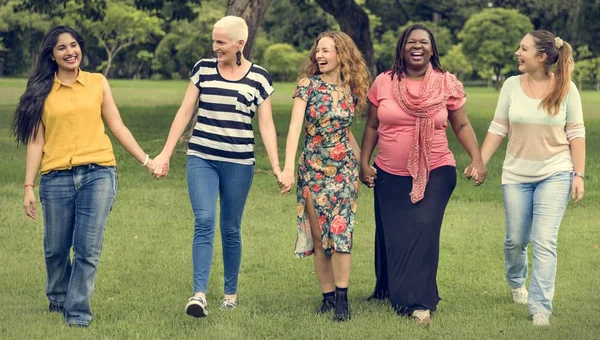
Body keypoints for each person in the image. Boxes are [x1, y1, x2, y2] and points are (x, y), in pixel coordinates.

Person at [11, 25, 155, 327]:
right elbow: (36, 141)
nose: (70, 51)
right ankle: (58, 295)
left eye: (74, 45)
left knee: (87, 247)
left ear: (81, 48)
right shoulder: (42, 90)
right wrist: (28, 186)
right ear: (51, 54)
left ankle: (77, 314)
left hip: (98, 173)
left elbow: (118, 127)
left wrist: (146, 160)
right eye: (62, 47)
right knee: (55, 248)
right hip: (56, 177)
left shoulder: (97, 83)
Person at [150, 16, 281, 318]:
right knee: (205, 220)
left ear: (240, 44)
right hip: (202, 157)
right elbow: (185, 112)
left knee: (231, 228)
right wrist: (165, 154)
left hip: (239, 163)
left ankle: (230, 295)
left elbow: (266, 125)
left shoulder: (259, 78)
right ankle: (199, 295)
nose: (215, 47)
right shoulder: (203, 69)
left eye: (220, 42)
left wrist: (276, 166)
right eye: (214, 41)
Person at [359, 23, 486, 326]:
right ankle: (388, 288)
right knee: (394, 233)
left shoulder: (446, 83)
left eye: (424, 42)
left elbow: (462, 125)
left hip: (437, 169)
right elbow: (373, 126)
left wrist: (477, 159)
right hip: (389, 172)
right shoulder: (384, 82)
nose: (417, 46)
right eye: (410, 42)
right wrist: (364, 162)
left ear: (432, 49)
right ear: (401, 48)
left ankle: (419, 301)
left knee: (423, 228)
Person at [474, 30, 585, 327]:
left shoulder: (566, 88)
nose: (517, 53)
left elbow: (576, 134)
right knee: (516, 240)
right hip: (516, 174)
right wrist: (480, 162)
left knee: (545, 240)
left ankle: (540, 307)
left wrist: (579, 174)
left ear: (542, 57)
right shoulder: (511, 85)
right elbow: (498, 127)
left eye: (523, 49)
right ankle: (516, 281)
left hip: (556, 172)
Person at [279, 31, 370, 321]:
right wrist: (288, 168)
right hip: (312, 169)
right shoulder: (307, 86)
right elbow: (295, 128)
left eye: (327, 51)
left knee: (341, 233)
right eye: (318, 51)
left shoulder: (351, 90)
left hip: (344, 171)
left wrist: (363, 165)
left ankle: (343, 301)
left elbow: (347, 132)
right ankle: (328, 298)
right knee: (319, 239)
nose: (319, 56)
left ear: (341, 55)